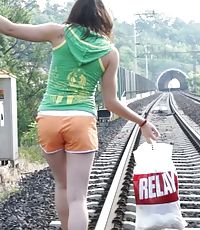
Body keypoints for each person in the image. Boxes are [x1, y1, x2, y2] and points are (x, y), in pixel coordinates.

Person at [0, 0, 160, 229]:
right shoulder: (109, 53)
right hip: (81, 121)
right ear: (104, 18)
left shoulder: (58, 33)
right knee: (78, 198)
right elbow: (111, 102)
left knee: (62, 186)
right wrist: (141, 122)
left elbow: (10, 28)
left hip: (49, 118)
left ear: (75, 11)